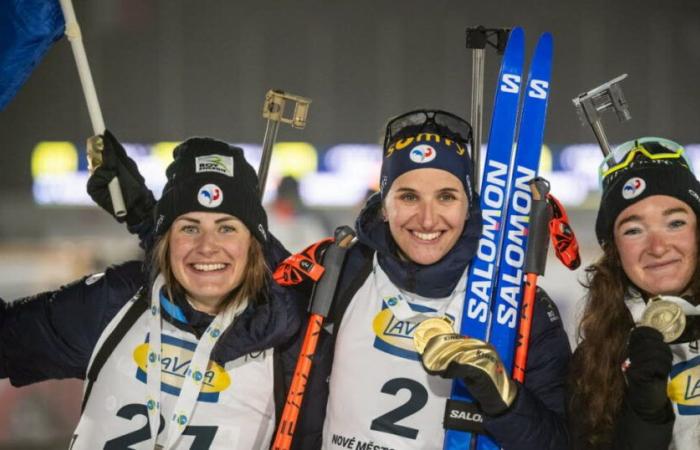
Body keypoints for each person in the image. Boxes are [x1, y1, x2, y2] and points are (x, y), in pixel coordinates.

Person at [89, 111, 571, 449]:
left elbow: (561, 441)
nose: (426, 218)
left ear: (470, 204)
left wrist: (505, 400)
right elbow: (239, 269)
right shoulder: (343, 271)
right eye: (407, 195)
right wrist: (151, 219)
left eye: (446, 196)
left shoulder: (518, 301)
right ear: (383, 200)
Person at [0, 135, 304, 449]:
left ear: (255, 244)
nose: (207, 246)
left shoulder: (287, 341)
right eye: (189, 227)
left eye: (227, 227)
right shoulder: (117, 301)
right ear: (166, 239)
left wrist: (143, 212)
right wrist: (145, 214)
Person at [569, 137, 700, 449]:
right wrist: (645, 415)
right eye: (633, 230)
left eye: (675, 223)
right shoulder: (593, 361)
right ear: (613, 250)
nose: (657, 247)